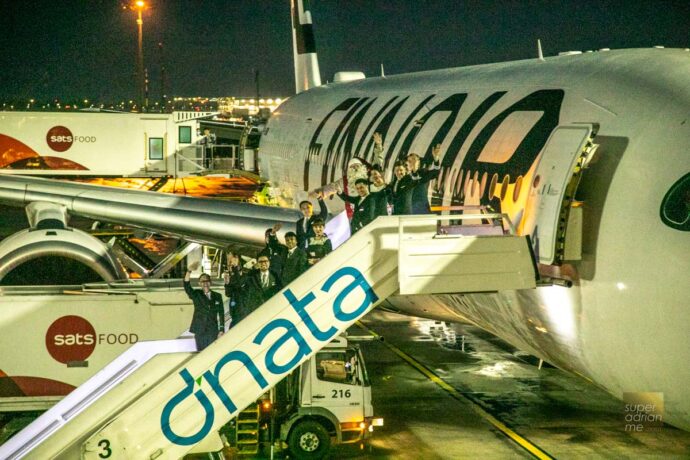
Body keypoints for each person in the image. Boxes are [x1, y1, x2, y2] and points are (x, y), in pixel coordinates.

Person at [224, 254, 283, 326]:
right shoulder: (252, 275)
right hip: (255, 313)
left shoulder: (275, 275)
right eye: (260, 262)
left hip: (270, 311)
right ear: (257, 263)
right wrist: (235, 268)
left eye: (265, 261)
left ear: (269, 262)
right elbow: (239, 283)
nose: (263, 263)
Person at [184, 262, 224, 351]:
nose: (205, 283)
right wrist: (189, 271)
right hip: (199, 329)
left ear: (210, 282)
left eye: (207, 281)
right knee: (201, 353)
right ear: (199, 283)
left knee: (212, 352)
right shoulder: (196, 294)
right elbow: (187, 286)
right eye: (202, 281)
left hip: (212, 330)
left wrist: (221, 329)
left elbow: (221, 313)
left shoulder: (217, 296)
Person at [406, 144, 442, 214]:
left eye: (414, 160)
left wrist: (436, 159)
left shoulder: (423, 173)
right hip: (407, 209)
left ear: (419, 162)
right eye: (410, 161)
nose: (412, 162)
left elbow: (435, 172)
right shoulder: (404, 175)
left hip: (421, 208)